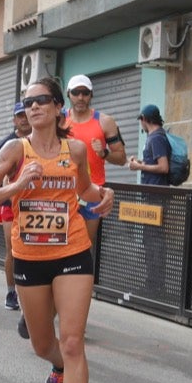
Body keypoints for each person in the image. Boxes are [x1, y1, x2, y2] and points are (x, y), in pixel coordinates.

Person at [0, 76, 113, 383]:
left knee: (72, 341)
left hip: (72, 252)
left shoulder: (77, 149)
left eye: (40, 101)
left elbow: (85, 191)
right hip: (30, 258)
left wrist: (104, 197)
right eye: (26, 103)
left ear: (57, 108)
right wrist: (17, 185)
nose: (32, 108)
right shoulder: (15, 149)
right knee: (42, 344)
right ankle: (56, 367)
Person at [62, 74, 125, 252]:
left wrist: (104, 153)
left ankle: (81, 279)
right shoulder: (59, 121)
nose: (80, 97)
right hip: (65, 189)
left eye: (85, 93)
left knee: (86, 245)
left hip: (93, 190)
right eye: (76, 92)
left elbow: (121, 158)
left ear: (91, 95)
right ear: (69, 94)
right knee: (59, 242)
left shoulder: (105, 121)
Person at [0, 103, 33, 313]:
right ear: (15, 120)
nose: (24, 119)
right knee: (13, 249)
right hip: (9, 204)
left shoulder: (41, 141)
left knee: (35, 248)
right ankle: (11, 291)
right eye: (19, 116)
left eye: (26, 115)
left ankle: (33, 293)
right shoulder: (7, 143)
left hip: (34, 205)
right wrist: (4, 187)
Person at [129, 104, 175, 185]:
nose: (141, 124)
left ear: (143, 118)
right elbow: (153, 163)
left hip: (156, 193)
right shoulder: (156, 136)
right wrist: (139, 163)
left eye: (140, 120)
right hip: (152, 191)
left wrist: (139, 167)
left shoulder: (156, 138)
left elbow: (164, 167)